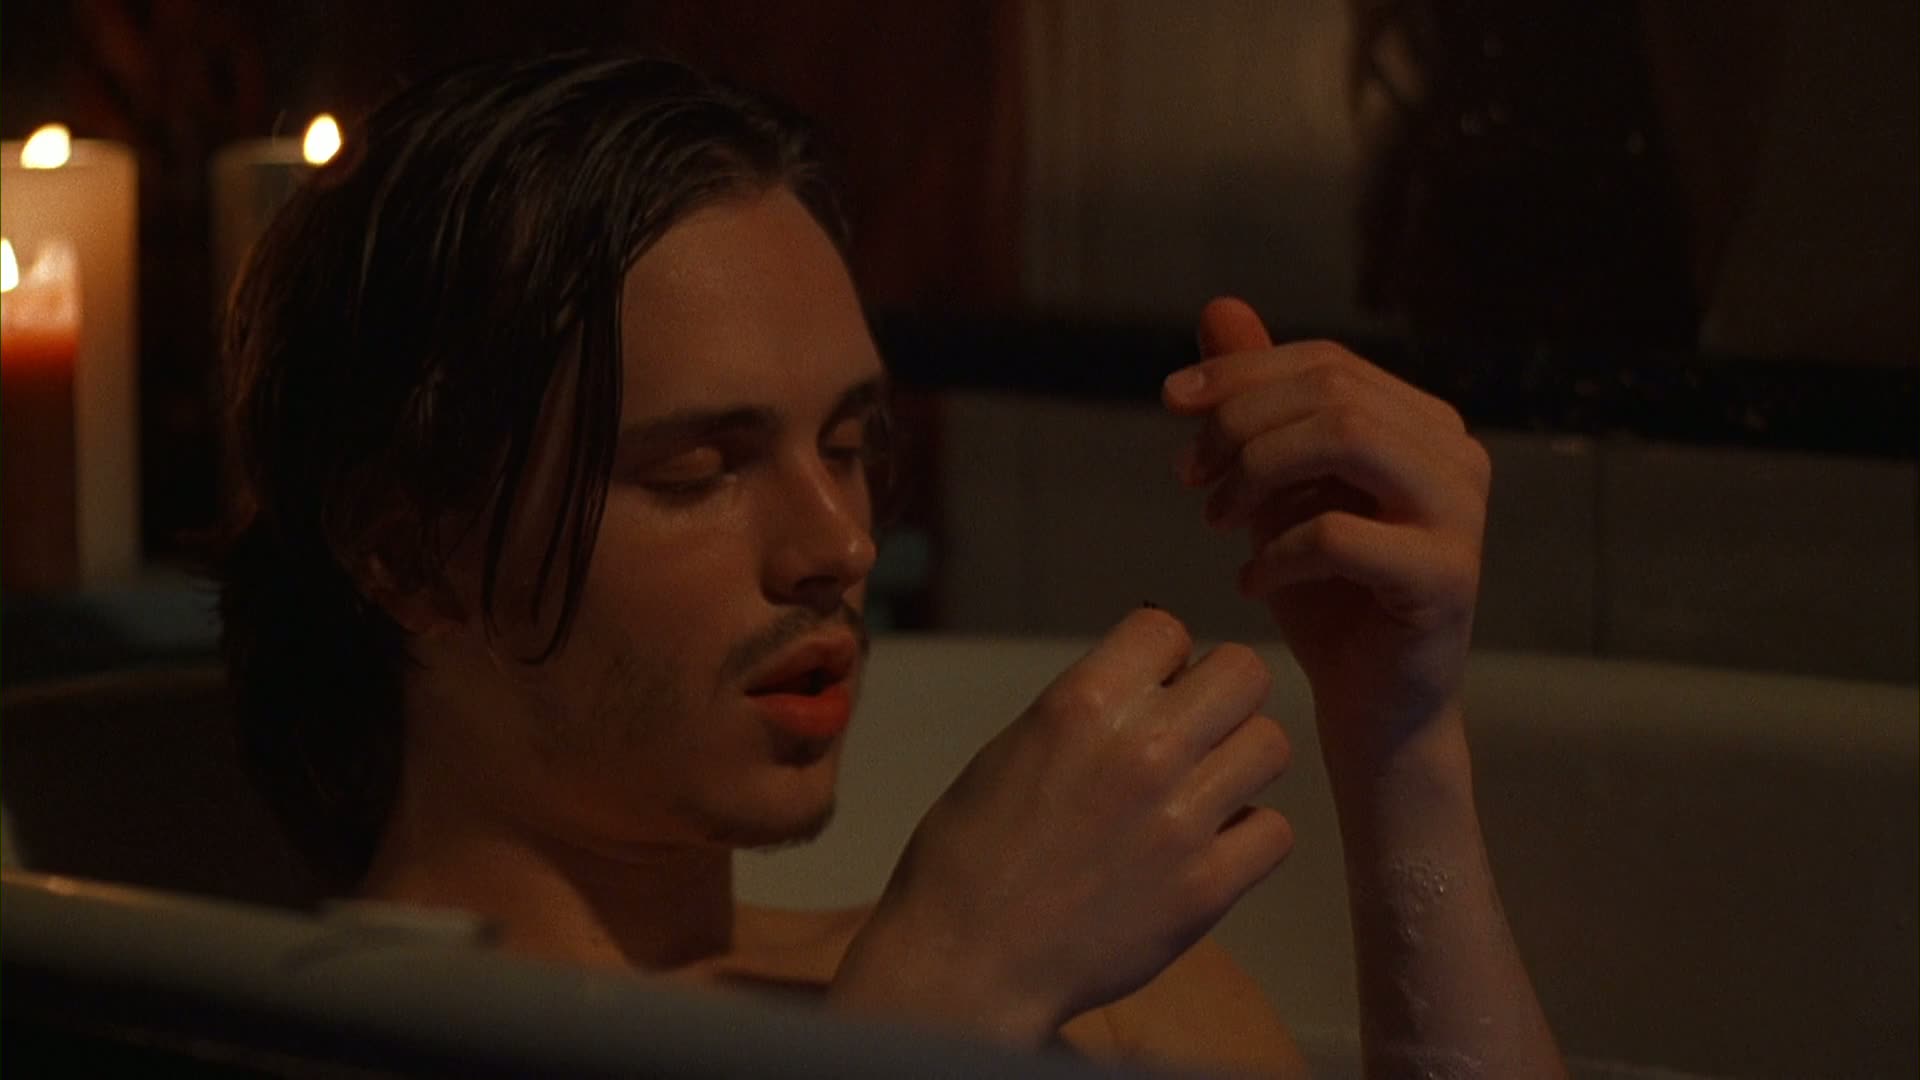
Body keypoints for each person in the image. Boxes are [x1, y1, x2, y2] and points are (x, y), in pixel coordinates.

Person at [217, 51, 1565, 1077]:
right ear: (409, 556)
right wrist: (939, 1007)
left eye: (852, 445)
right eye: (701, 470)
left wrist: (1400, 745)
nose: (840, 545)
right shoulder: (268, 1037)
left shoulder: (1112, 997)